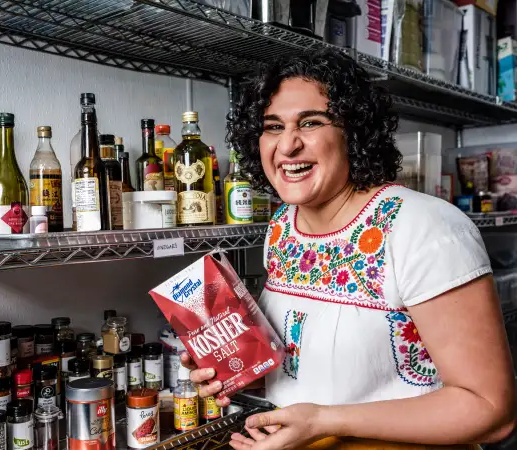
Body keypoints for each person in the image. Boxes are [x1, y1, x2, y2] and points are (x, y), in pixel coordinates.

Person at [181, 50, 516, 449]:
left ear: (353, 131)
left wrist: (324, 421)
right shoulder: (283, 227)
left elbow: (490, 411)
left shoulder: (423, 227)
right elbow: (309, 370)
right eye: (273, 126)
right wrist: (240, 369)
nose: (287, 145)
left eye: (311, 122)